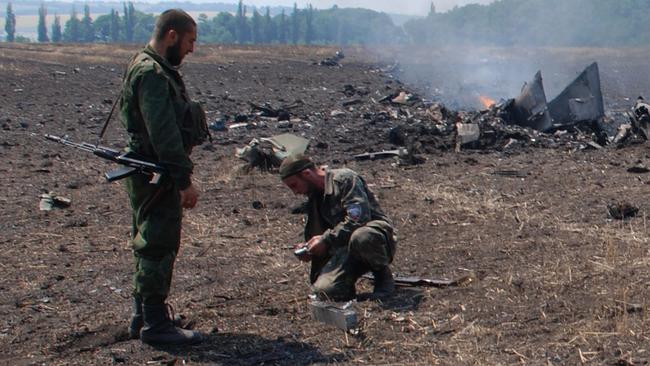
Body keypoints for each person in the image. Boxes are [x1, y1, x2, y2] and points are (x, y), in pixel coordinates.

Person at [119, 9, 209, 345]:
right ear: (172, 35)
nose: (191, 49)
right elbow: (164, 133)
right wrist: (184, 180)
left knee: (147, 242)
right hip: (157, 172)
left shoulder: (146, 65)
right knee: (158, 244)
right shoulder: (153, 73)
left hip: (150, 169)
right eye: (189, 41)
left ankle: (142, 317)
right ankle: (156, 325)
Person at [280, 154, 397, 301]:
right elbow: (320, 232)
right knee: (324, 291)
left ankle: (383, 279)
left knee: (362, 236)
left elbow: (359, 219)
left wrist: (325, 240)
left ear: (306, 174)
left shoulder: (344, 179)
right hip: (343, 247)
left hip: (374, 239)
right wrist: (310, 248)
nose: (295, 192)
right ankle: (346, 285)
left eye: (294, 185)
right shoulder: (315, 196)